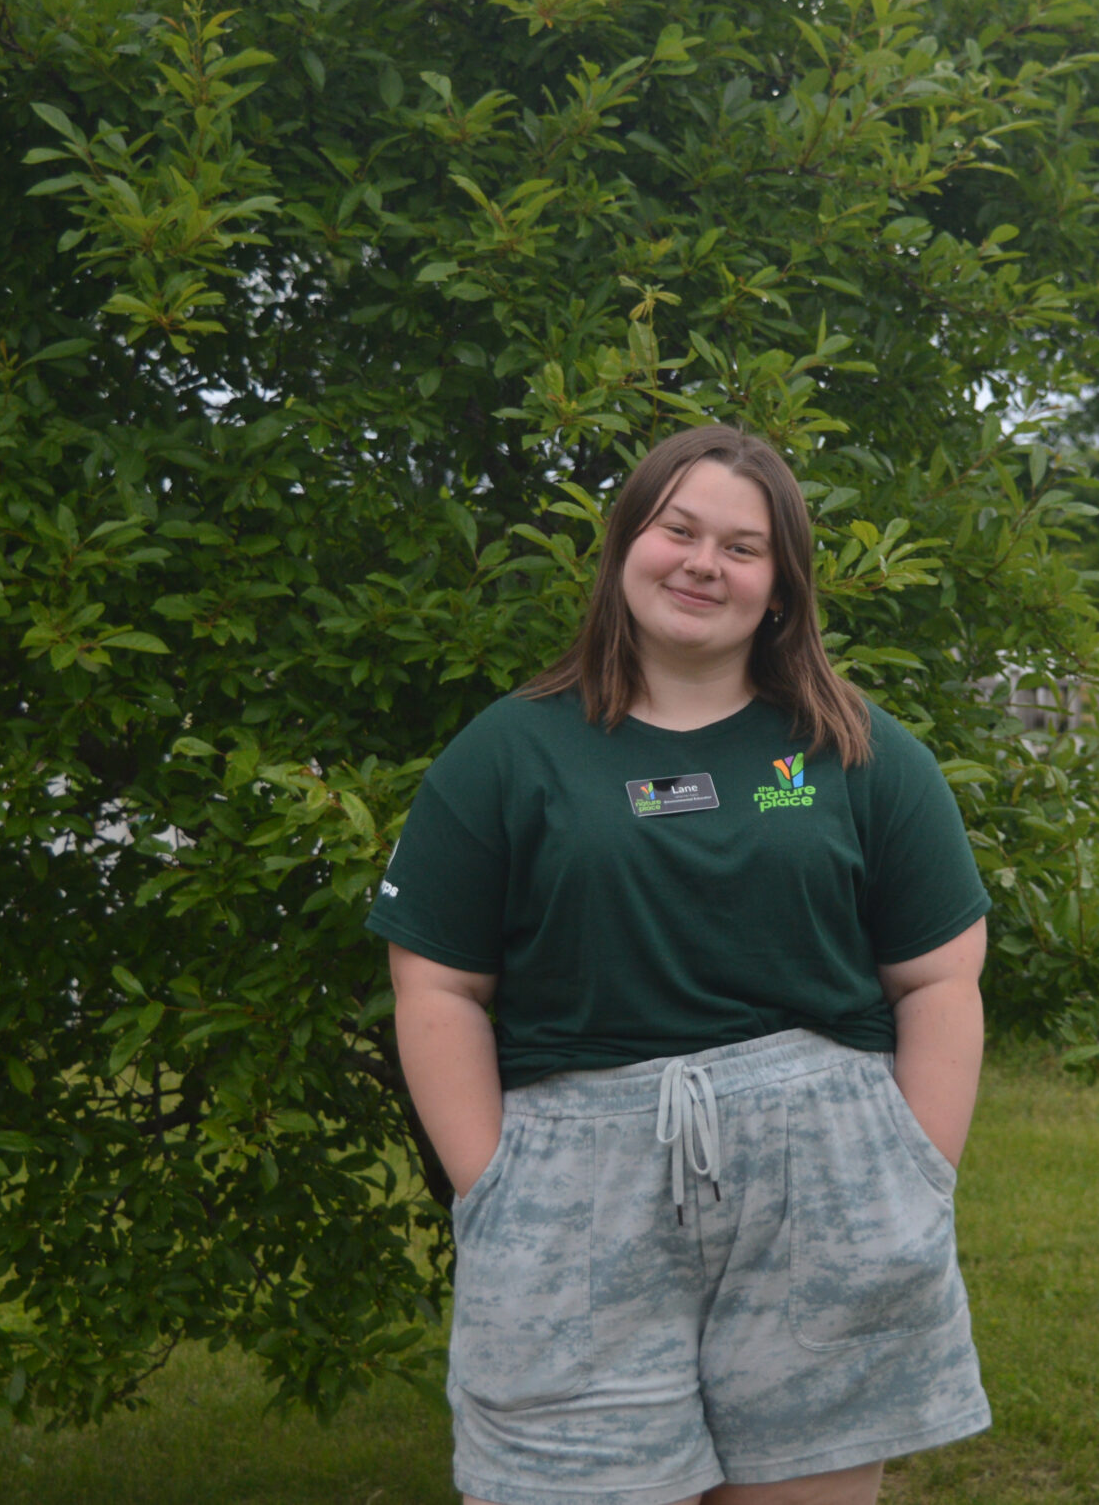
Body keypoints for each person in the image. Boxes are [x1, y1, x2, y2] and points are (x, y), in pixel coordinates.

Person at [368, 424, 992, 1505]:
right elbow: (437, 986)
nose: (703, 563)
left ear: (781, 588)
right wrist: (496, 1184)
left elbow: (938, 978)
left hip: (828, 1191)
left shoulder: (859, 752)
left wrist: (912, 1172)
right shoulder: (509, 753)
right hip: (576, 1195)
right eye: (678, 530)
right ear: (623, 548)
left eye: (742, 548)